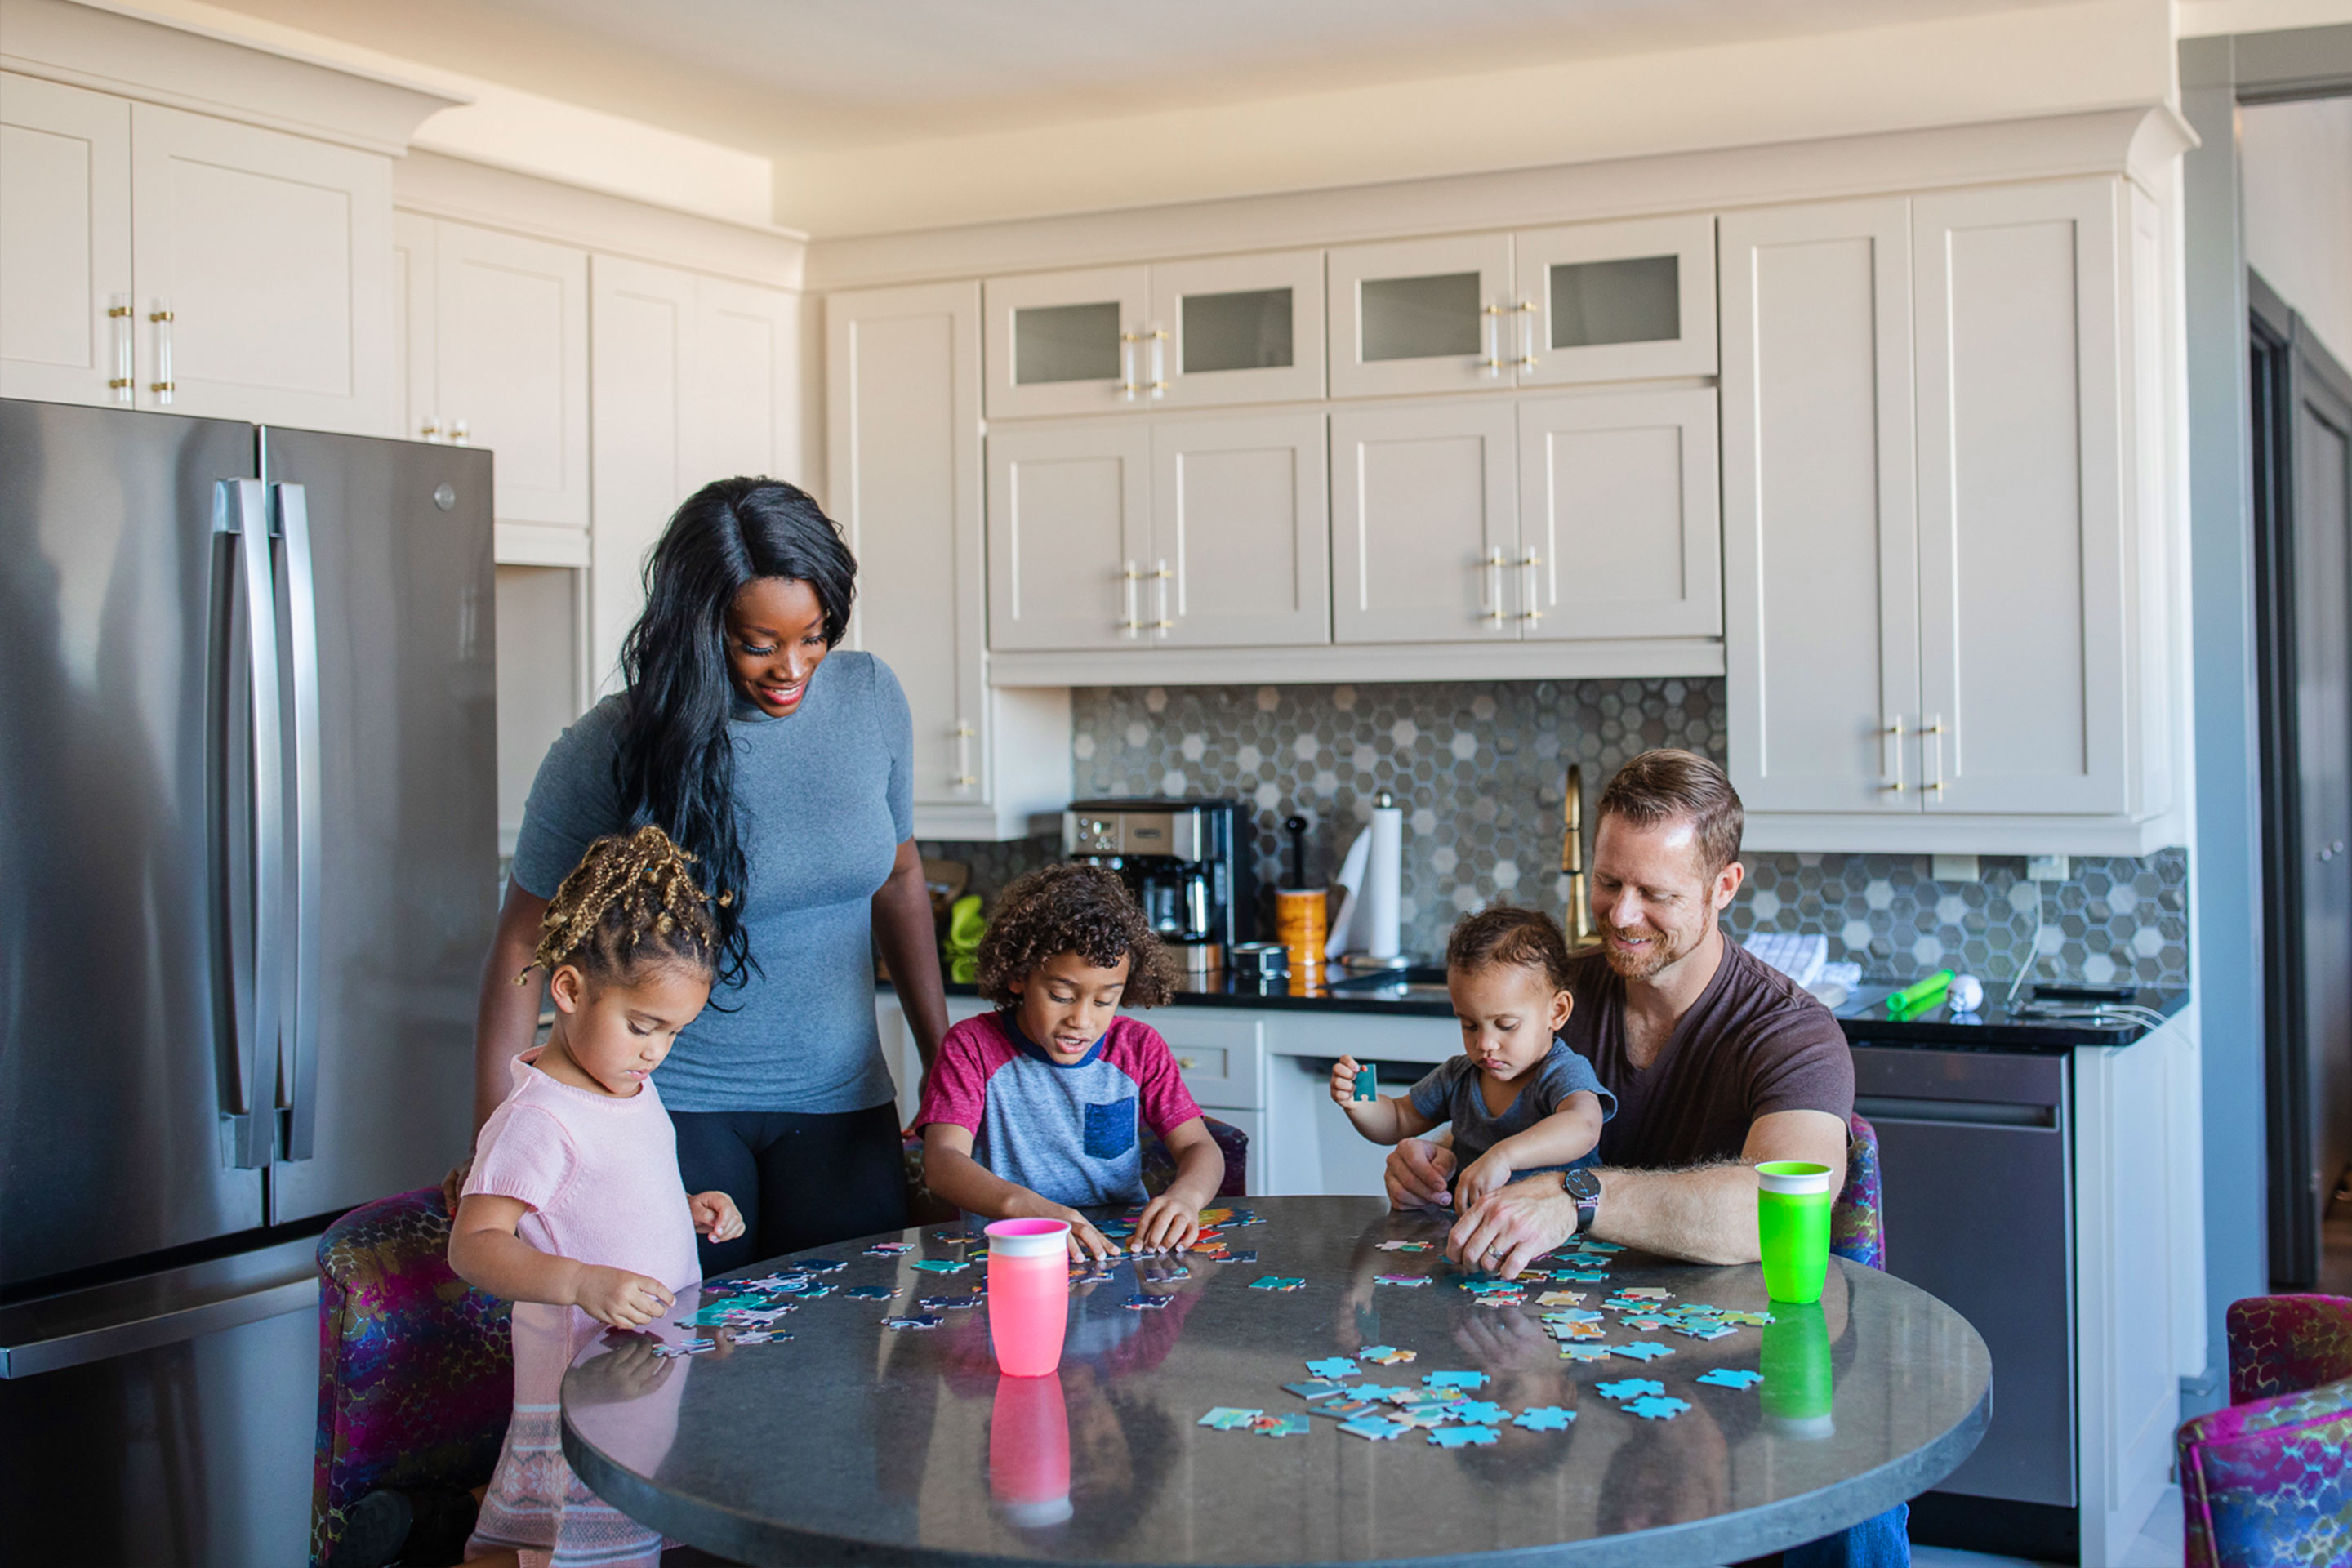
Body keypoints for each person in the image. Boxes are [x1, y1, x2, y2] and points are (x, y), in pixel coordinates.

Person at [1382, 751, 1900, 1567]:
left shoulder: (1793, 1033)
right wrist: (1439, 1162)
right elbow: (1480, 1128)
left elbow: (1770, 1204)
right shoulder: (1551, 999)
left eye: (1656, 894)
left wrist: (1574, 1194)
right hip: (1557, 1338)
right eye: (1607, 882)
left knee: (1857, 1522)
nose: (1620, 916)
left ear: (1724, 887)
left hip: (1754, 1360)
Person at [455, 478, 948, 1273]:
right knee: (692, 1373)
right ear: (701, 625)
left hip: (844, 1102)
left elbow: (899, 879)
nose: (793, 667)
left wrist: (943, 1062)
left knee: (849, 1376)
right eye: (759, 643)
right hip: (662, 1110)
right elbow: (523, 945)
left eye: (814, 635)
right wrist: (496, 1152)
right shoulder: (612, 745)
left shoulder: (870, 701)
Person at [450, 827, 745, 1568]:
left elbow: (607, 1194)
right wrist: (581, 1282)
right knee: (564, 1544)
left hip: (642, 1367)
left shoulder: (630, 1084)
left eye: (672, 1034)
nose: (655, 1052)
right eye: (643, 1027)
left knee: (609, 1539)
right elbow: (474, 1243)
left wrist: (686, 1204)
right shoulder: (538, 1119)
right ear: (571, 990)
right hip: (581, 1386)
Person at [915, 863, 1225, 1261]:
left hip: (1121, 1251)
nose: (1081, 1020)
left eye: (1103, 1001)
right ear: (1018, 976)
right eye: (1061, 996)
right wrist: (1024, 1208)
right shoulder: (972, 1047)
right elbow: (943, 1161)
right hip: (1013, 1250)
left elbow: (1200, 1146)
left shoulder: (1139, 1048)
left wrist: (1186, 1197)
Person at [1329, 905, 1615, 1212]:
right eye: (1469, 1025)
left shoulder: (1561, 1071)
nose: (1484, 1043)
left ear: (1556, 1012)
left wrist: (1504, 1155)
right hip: (1474, 1234)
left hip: (1560, 1239)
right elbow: (1398, 1119)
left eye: (1506, 1025)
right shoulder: (1458, 1076)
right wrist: (1361, 1102)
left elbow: (1583, 1126)